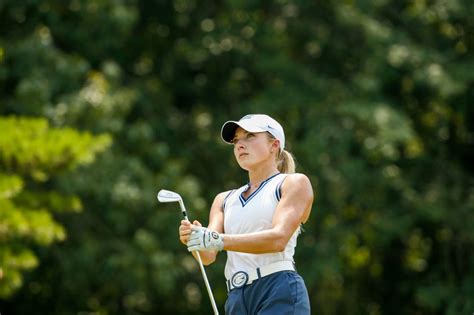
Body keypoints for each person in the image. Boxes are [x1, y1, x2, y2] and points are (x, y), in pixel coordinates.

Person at [179, 114, 314, 314]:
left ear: (274, 145)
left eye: (250, 136)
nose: (239, 145)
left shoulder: (293, 183)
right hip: (236, 297)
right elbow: (207, 256)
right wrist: (195, 239)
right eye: (236, 141)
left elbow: (278, 239)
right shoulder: (224, 199)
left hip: (278, 289)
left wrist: (216, 239)